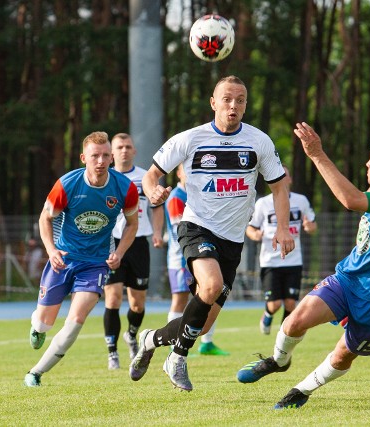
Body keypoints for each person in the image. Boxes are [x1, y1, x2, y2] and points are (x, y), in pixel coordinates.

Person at [236, 122, 370, 409]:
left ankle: (301, 391)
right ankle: (278, 360)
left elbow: (349, 200)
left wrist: (316, 154)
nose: (366, 163)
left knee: (342, 356)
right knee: (294, 321)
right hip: (349, 280)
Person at [129, 75, 294, 391]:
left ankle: (150, 340)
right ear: (213, 102)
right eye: (228, 99)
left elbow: (279, 188)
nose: (234, 106)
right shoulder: (189, 139)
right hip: (196, 227)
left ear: (246, 105)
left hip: (232, 240)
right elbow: (151, 176)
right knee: (211, 284)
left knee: (202, 325)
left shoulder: (259, 141)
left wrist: (284, 228)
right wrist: (152, 192)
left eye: (240, 100)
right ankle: (177, 358)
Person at [24, 131, 139, 387]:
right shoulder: (67, 184)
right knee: (45, 323)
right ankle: (37, 326)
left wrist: (118, 253)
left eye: (105, 156)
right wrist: (52, 250)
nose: (101, 161)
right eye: (95, 156)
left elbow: (132, 224)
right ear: (83, 158)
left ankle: (36, 373)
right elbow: (45, 218)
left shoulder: (124, 187)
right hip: (63, 259)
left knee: (76, 320)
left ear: (111, 158)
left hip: (96, 263)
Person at [103, 133, 164, 370]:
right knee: (113, 297)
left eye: (128, 147)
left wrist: (158, 232)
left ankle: (131, 334)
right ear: (112, 153)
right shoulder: (104, 178)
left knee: (137, 303)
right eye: (119, 147)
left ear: (134, 151)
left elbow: (157, 207)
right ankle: (112, 351)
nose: (124, 151)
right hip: (111, 242)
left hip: (138, 242)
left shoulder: (144, 178)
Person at [165, 165, 229, 356]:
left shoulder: (199, 195)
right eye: (186, 169)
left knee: (209, 295)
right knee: (180, 299)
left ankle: (207, 343)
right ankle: (172, 341)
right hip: (180, 258)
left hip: (200, 255)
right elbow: (181, 229)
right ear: (178, 173)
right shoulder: (177, 196)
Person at [246, 166, 317, 335]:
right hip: (270, 261)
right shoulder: (263, 203)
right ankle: (268, 314)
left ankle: (284, 332)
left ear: (290, 179)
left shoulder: (301, 201)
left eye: (284, 175)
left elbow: (313, 225)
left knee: (291, 304)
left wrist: (309, 226)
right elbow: (250, 228)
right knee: (275, 304)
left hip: (294, 259)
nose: (281, 179)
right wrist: (255, 234)